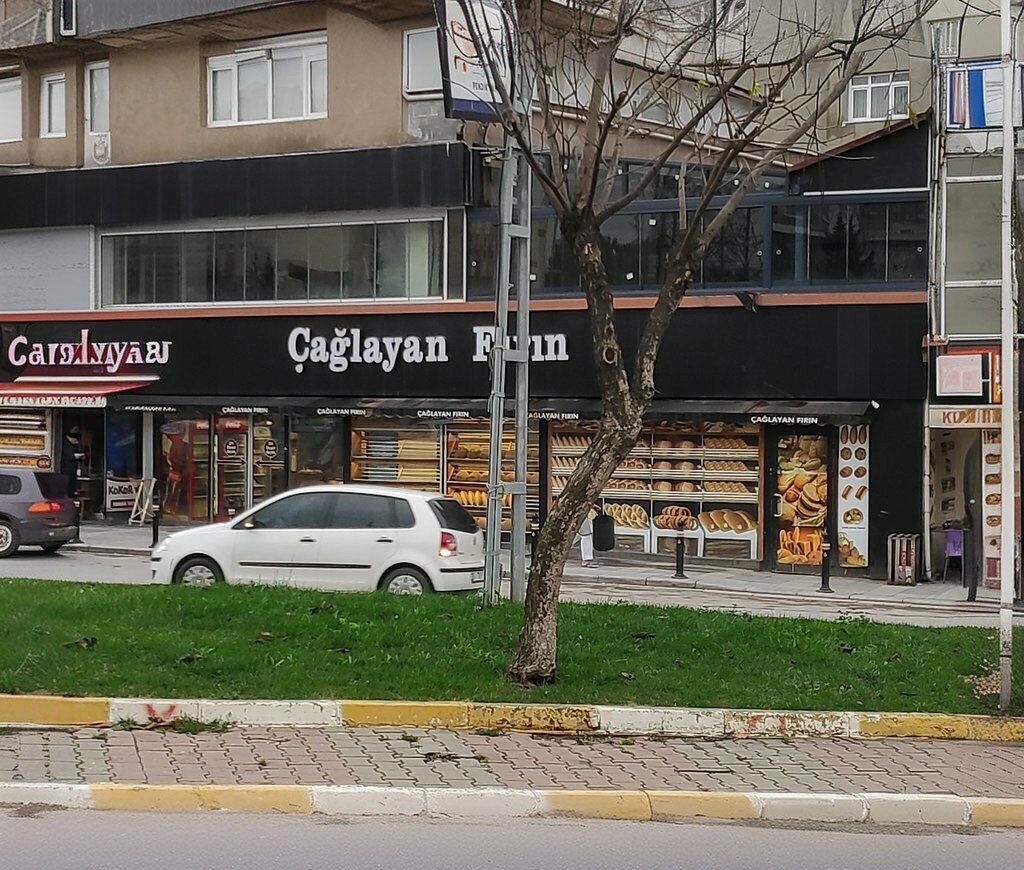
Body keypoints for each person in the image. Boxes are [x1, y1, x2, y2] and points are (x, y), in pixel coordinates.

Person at [60, 426, 83, 500]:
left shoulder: (72, 445)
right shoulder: (64, 444)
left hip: (72, 470)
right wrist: (75, 456)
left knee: (71, 486)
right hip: (66, 470)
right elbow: (66, 456)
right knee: (68, 487)